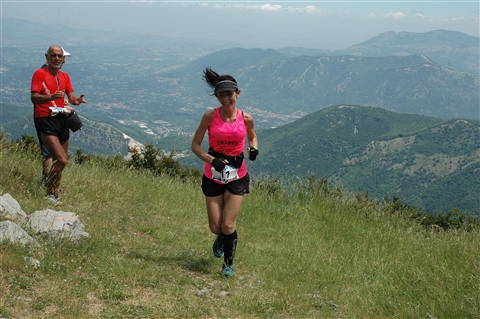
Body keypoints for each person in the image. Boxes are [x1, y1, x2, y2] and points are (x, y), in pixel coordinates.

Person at [191, 67, 259, 277]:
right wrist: (213, 160)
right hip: (213, 174)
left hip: (237, 174)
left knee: (228, 224)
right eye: (221, 95)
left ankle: (228, 264)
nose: (225, 99)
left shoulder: (246, 118)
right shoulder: (210, 116)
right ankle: (220, 237)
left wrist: (254, 148)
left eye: (229, 94)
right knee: (215, 226)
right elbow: (195, 145)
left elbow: (253, 137)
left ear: (238, 93)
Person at [31, 45, 86, 205]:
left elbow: (72, 98)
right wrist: (50, 97)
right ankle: (49, 193)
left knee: (59, 160)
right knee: (62, 160)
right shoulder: (39, 74)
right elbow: (34, 97)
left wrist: (77, 101)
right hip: (44, 119)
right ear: (47, 57)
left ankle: (54, 189)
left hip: (61, 118)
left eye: (59, 56)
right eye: (53, 56)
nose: (57, 59)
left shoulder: (65, 76)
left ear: (63, 59)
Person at [39, 47, 72, 187]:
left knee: (58, 156)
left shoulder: (59, 75)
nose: (61, 60)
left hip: (57, 117)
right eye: (56, 56)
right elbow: (41, 97)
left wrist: (63, 101)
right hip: (47, 118)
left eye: (61, 57)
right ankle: (47, 182)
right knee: (50, 154)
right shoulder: (44, 73)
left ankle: (52, 184)